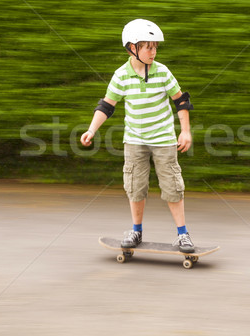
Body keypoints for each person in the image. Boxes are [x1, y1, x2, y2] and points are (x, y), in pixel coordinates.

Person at [80, 19, 195, 253]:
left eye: (155, 47)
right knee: (135, 186)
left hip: (163, 139)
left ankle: (183, 235)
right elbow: (106, 106)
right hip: (134, 141)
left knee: (172, 186)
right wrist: (91, 130)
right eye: (148, 47)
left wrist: (185, 131)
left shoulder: (162, 72)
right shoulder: (121, 75)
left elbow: (181, 100)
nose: (153, 51)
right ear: (132, 48)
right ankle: (136, 231)